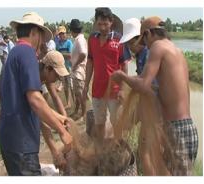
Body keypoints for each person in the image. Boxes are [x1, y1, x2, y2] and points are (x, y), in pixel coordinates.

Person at [111, 16, 198, 176]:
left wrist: (122, 77)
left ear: (149, 33)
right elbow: (152, 84)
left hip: (176, 129)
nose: (145, 45)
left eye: (144, 39)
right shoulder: (176, 50)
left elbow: (144, 84)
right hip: (187, 127)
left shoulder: (157, 47)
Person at [0, 12, 72, 176]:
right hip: (21, 142)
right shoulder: (27, 52)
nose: (42, 43)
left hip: (11, 140)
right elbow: (35, 100)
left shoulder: (14, 54)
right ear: (34, 32)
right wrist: (62, 131)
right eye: (41, 36)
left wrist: (59, 117)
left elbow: (29, 103)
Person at [82, 8, 131, 142]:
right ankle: (100, 148)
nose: (102, 27)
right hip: (97, 89)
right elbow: (90, 63)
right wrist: (86, 85)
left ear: (111, 22)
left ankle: (117, 148)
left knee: (116, 122)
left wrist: (122, 89)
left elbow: (124, 65)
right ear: (96, 23)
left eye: (105, 24)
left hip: (115, 90)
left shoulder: (120, 40)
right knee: (99, 122)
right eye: (99, 24)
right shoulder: (92, 38)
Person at [39, 50, 69, 116]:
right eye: (57, 74)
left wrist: (65, 118)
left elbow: (55, 97)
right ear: (47, 68)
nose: (58, 78)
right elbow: (39, 107)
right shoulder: (33, 78)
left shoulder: (46, 75)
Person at [69, 19, 87, 120]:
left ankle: (83, 115)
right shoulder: (78, 39)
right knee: (77, 93)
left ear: (73, 30)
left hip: (79, 71)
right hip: (77, 71)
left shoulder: (79, 40)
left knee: (80, 94)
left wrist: (75, 64)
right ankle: (76, 111)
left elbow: (83, 54)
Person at [56, 25, 74, 109]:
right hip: (62, 68)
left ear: (65, 33)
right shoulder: (58, 43)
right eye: (60, 34)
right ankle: (68, 103)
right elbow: (57, 55)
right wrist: (62, 55)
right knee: (65, 86)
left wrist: (60, 55)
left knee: (71, 86)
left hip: (69, 67)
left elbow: (70, 55)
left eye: (63, 33)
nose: (62, 35)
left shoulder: (69, 42)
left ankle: (75, 102)